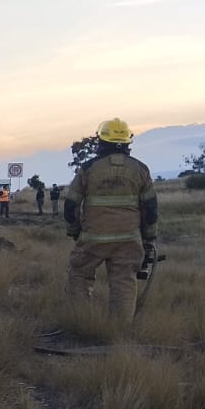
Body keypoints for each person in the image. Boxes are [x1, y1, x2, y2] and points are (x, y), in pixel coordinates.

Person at [62, 117, 158, 325]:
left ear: (101, 141)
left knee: (79, 274)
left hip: (93, 238)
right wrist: (148, 239)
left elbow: (70, 205)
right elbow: (150, 209)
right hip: (129, 240)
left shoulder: (88, 168)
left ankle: (80, 324)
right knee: (124, 282)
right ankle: (118, 331)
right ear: (127, 142)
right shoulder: (141, 170)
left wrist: (75, 231)